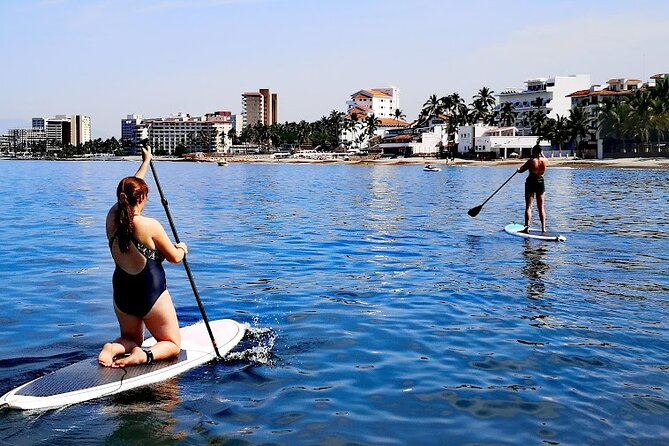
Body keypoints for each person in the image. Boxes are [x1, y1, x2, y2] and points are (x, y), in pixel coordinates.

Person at [98, 148, 188, 367]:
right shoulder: (149, 225)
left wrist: (146, 161)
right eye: (145, 196)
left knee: (131, 339)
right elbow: (175, 258)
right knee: (172, 343)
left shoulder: (111, 219)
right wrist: (183, 248)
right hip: (150, 291)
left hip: (122, 291)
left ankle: (112, 348)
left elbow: (132, 186)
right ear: (141, 197)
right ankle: (143, 356)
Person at [517, 144, 548, 233]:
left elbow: (521, 170)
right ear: (541, 152)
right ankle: (543, 228)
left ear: (533, 152)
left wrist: (518, 169)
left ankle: (527, 228)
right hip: (540, 182)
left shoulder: (531, 161)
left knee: (529, 207)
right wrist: (542, 154)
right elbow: (544, 160)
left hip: (531, 182)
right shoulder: (545, 160)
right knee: (541, 207)